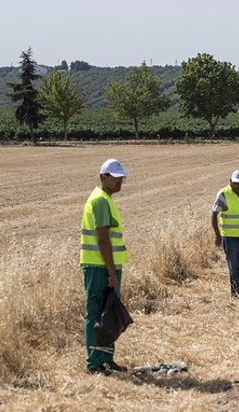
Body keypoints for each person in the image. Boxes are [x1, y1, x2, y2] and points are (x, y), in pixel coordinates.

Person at [80, 158, 130, 375]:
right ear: (103, 177)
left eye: (122, 178)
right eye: (116, 178)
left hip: (106, 266)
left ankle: (107, 360)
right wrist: (111, 271)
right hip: (98, 267)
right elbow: (103, 239)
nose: (120, 181)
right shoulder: (100, 201)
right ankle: (94, 363)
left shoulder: (105, 199)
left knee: (108, 314)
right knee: (96, 313)